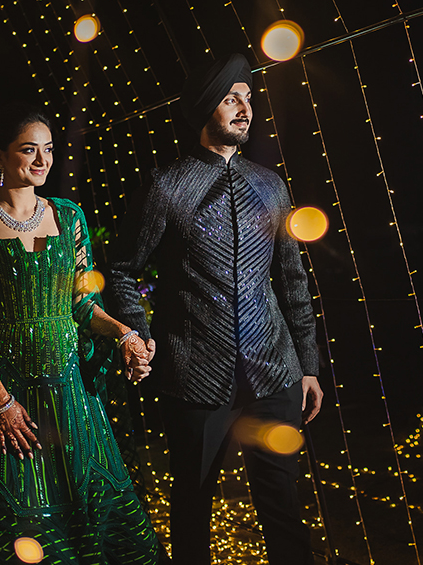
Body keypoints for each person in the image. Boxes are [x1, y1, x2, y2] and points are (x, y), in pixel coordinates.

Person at [0, 104, 160, 564]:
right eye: (28, 150)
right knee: (16, 528)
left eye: (49, 149)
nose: (42, 160)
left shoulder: (69, 216)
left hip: (71, 397)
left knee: (95, 515)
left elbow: (85, 304)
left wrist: (126, 335)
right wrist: (1, 403)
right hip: (9, 395)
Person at [104, 53, 324, 565]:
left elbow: (292, 279)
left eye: (247, 97)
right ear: (206, 108)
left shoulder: (270, 185)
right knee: (193, 508)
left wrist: (308, 365)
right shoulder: (167, 186)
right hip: (195, 377)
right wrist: (138, 334)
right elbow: (120, 268)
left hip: (274, 372)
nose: (244, 108)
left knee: (283, 506)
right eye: (230, 98)